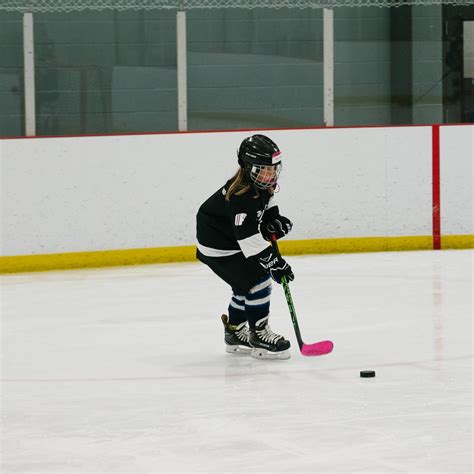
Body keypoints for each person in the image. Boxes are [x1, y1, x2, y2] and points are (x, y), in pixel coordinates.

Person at [196, 134, 294, 360]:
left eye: (274, 169)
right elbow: (248, 240)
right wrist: (274, 263)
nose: (271, 175)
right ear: (248, 167)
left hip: (230, 241)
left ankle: (234, 332)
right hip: (219, 247)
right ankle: (258, 334)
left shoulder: (262, 185)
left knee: (245, 285)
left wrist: (273, 220)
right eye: (264, 170)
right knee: (258, 281)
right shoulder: (242, 196)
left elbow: (267, 206)